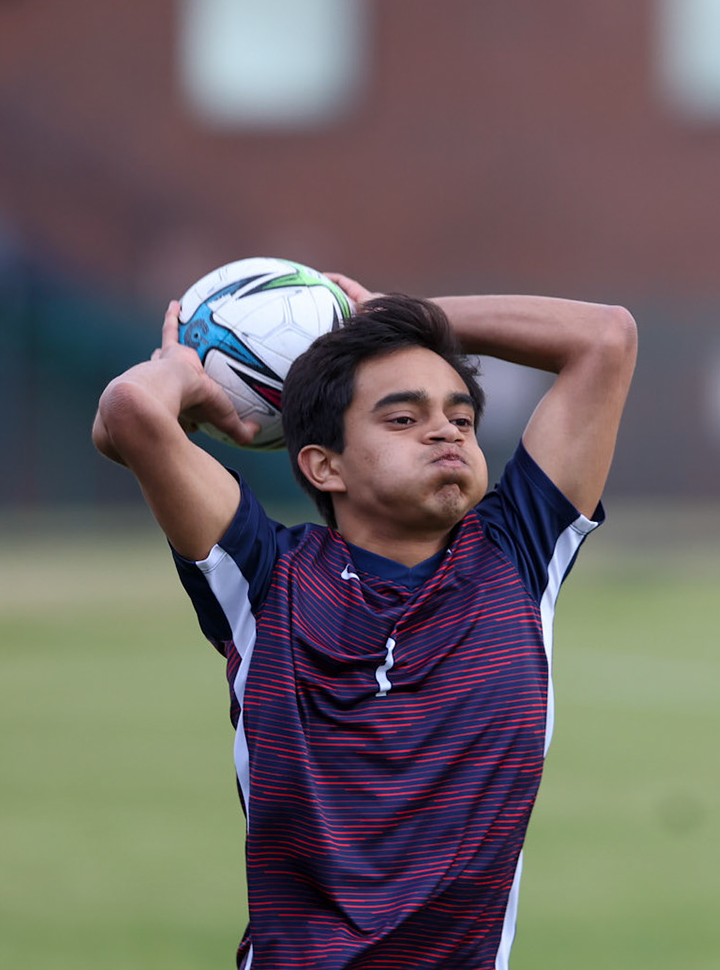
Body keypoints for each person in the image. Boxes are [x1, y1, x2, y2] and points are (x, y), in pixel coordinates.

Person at [91, 275, 636, 969]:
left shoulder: (518, 556)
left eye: (461, 418)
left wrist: (388, 316)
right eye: (403, 419)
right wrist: (179, 376)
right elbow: (133, 411)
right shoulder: (265, 577)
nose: (445, 429)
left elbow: (605, 338)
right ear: (323, 466)